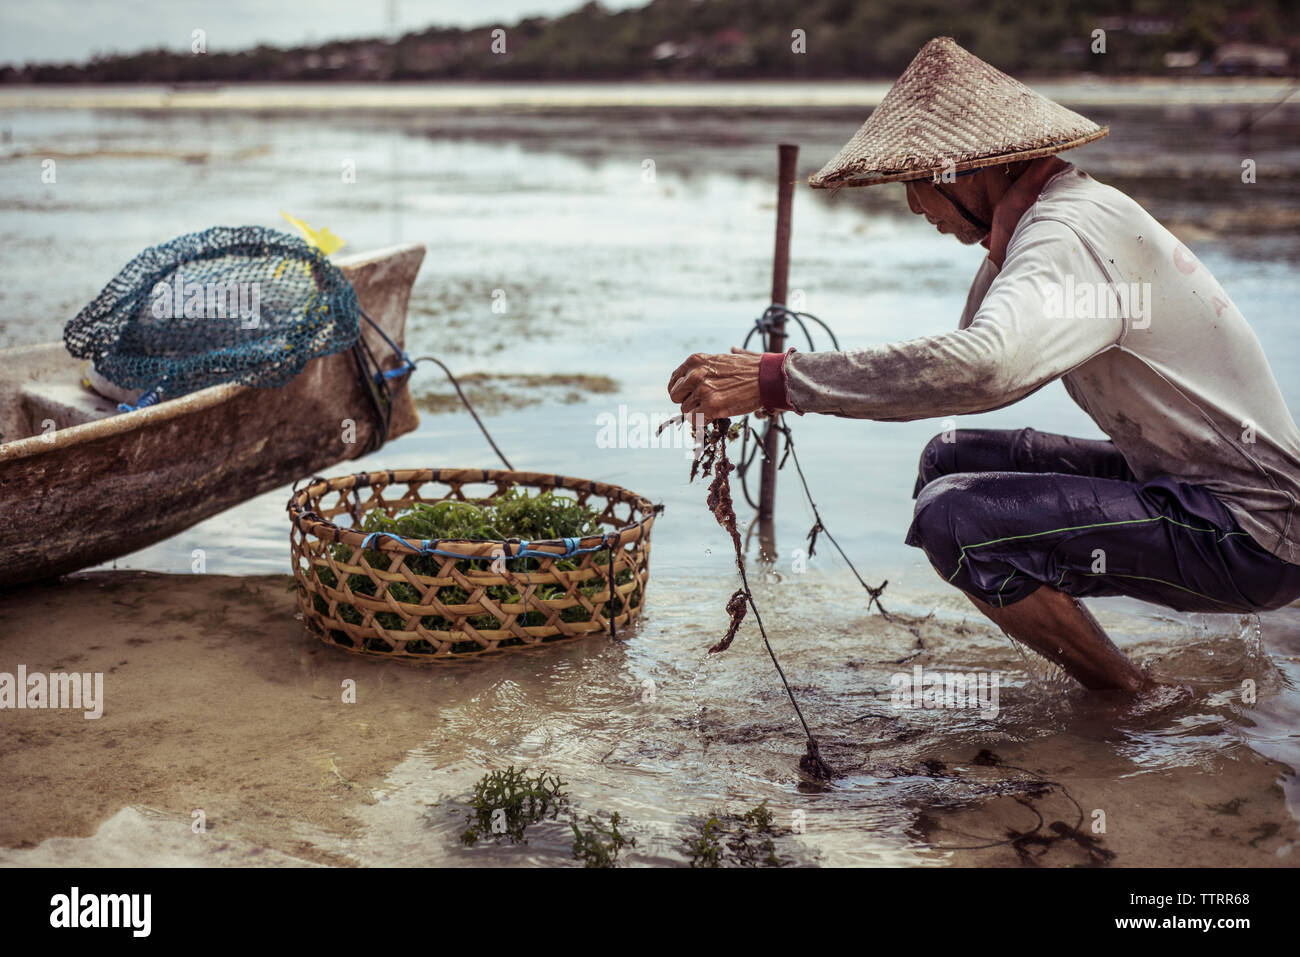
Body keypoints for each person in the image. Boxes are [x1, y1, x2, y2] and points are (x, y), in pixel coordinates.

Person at [667, 37, 1300, 694]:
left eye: (918, 183)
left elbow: (987, 369)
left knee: (955, 520)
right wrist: (995, 249)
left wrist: (779, 379)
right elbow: (964, 354)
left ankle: (1127, 694)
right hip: (1182, 483)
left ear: (972, 168)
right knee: (948, 459)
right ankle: (1091, 650)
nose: (915, 206)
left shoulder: (1065, 232)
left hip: (1252, 533)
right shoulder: (1043, 221)